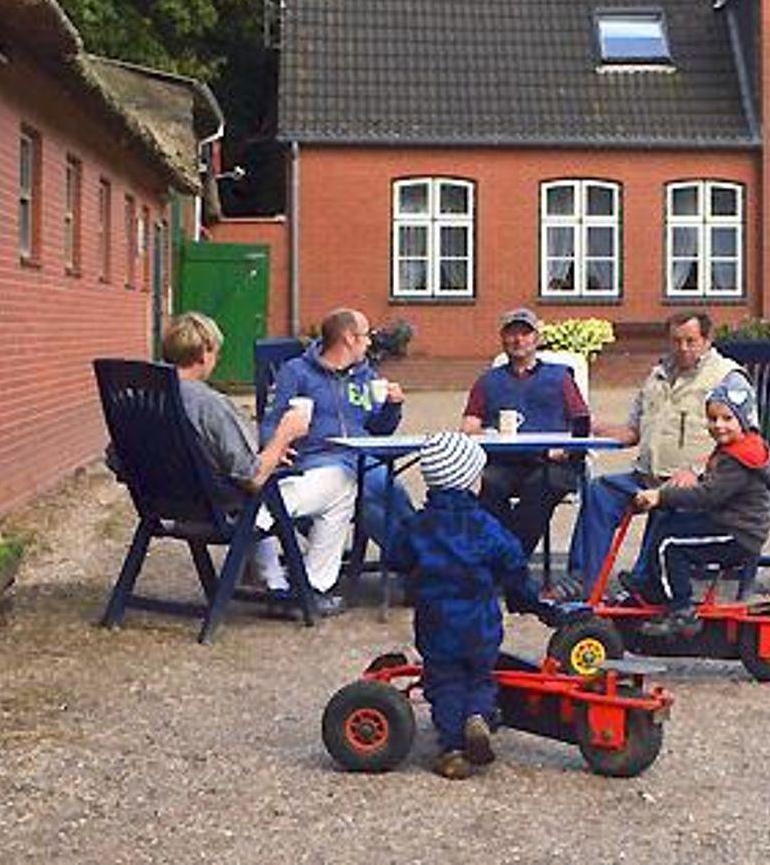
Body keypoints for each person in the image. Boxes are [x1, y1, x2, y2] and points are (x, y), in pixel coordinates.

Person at [147, 310, 351, 616]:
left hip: (162, 505)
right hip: (220, 510)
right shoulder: (210, 406)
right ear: (204, 354)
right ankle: (312, 588)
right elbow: (251, 477)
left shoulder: (145, 397)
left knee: (262, 488)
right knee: (341, 486)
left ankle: (272, 580)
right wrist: (284, 436)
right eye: (216, 352)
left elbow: (116, 458)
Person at [385, 430, 541, 781]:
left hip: (436, 622)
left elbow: (396, 556)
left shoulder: (419, 526)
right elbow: (513, 560)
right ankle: (478, 716)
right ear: (471, 481)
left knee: (444, 682)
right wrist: (526, 597)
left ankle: (453, 749)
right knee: (480, 677)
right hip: (481, 623)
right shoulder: (486, 526)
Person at [565, 310, 746, 588]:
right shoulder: (657, 375)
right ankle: (583, 582)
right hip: (646, 476)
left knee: (665, 503)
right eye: (676, 341)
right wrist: (593, 428)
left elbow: (745, 439)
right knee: (599, 492)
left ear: (707, 340)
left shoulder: (727, 378)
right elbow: (633, 432)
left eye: (690, 341)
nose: (682, 348)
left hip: (697, 481)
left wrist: (697, 470)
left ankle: (644, 582)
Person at [258, 307, 411, 604]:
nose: (370, 342)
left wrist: (393, 406)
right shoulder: (297, 372)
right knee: (368, 493)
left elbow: (379, 429)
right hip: (317, 458)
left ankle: (419, 563)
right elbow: (272, 421)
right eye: (366, 335)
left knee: (391, 491)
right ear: (349, 338)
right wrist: (275, 449)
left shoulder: (365, 375)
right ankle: (415, 566)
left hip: (361, 457)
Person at [626, 375, 770, 635]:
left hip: (738, 534)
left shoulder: (739, 458)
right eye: (712, 418)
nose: (719, 425)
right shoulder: (736, 449)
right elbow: (713, 485)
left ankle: (682, 610)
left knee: (670, 546)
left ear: (744, 420)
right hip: (728, 522)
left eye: (727, 418)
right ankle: (652, 586)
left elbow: (709, 495)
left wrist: (662, 496)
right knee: (666, 522)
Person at [461, 308, 592, 562]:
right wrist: (487, 433)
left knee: (540, 488)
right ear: (502, 339)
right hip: (505, 462)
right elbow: (469, 426)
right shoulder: (488, 381)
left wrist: (566, 450)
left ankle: (509, 561)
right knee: (490, 490)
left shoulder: (560, 377)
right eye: (511, 334)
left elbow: (581, 420)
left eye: (525, 333)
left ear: (536, 339)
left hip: (551, 463)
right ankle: (506, 561)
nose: (518, 340)